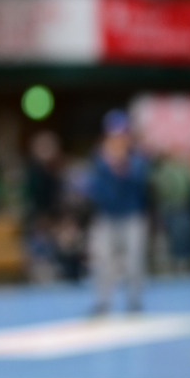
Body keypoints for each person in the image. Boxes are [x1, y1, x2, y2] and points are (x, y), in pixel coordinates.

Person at [84, 109, 151, 315]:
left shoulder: (137, 158)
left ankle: (134, 301)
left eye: (122, 135)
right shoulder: (99, 159)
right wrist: (109, 166)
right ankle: (103, 302)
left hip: (132, 216)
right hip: (106, 216)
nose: (118, 140)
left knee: (134, 261)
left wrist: (122, 165)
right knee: (102, 261)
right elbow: (97, 190)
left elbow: (139, 182)